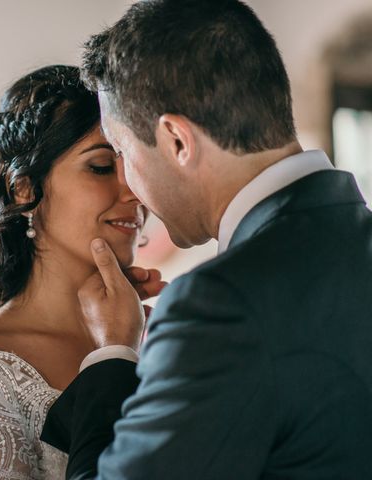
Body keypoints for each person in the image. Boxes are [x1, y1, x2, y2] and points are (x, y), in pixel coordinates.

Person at [40, 1, 372, 479]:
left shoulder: (219, 307)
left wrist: (114, 353)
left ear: (176, 140)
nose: (128, 187)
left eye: (121, 152)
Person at [0, 65, 164, 479]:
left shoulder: (163, 346)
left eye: (133, 167)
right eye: (102, 167)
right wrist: (114, 357)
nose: (133, 192)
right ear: (25, 189)